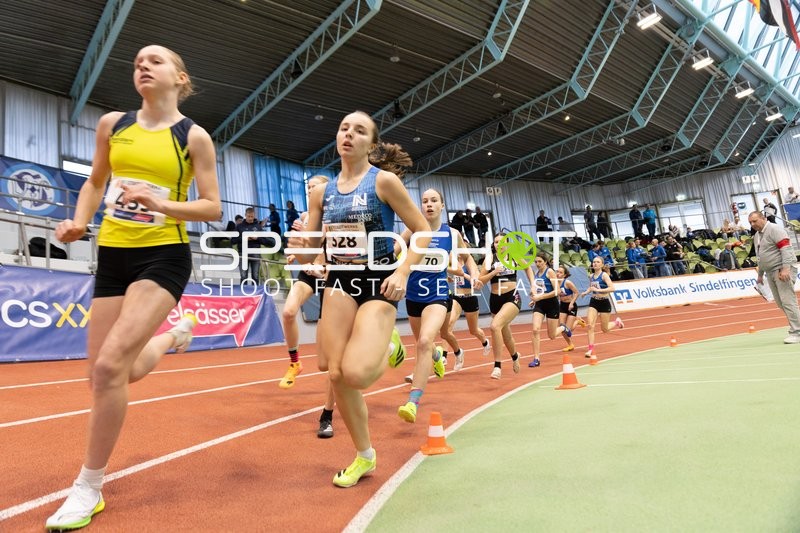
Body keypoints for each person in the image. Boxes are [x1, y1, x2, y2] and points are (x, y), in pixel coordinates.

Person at [45, 45, 221, 531]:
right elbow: (95, 182)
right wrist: (79, 222)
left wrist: (161, 205)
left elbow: (212, 207)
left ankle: (88, 486)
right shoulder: (112, 125)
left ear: (179, 77)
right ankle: (174, 336)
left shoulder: (193, 137)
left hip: (164, 255)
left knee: (107, 368)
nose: (142, 65)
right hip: (113, 256)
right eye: (138, 61)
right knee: (110, 375)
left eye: (155, 60)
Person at [288, 110, 429, 488]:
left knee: (356, 373)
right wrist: (299, 251)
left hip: (379, 282)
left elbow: (422, 231)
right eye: (344, 128)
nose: (349, 134)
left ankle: (388, 343)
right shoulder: (322, 192)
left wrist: (403, 271)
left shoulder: (383, 182)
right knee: (329, 370)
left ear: (371, 143)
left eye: (359, 130)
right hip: (340, 281)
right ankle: (365, 456)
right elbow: (313, 250)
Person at [396, 188, 483, 423]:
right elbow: (392, 253)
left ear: (442, 205)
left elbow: (468, 260)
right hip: (413, 296)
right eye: (424, 201)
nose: (429, 204)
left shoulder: (452, 233)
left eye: (434, 200)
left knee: (424, 340)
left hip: (437, 296)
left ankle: (412, 402)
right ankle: (436, 356)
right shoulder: (412, 229)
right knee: (424, 344)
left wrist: (474, 275)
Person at [478, 232, 534, 378]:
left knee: (494, 326)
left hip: (512, 297)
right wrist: (493, 272)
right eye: (496, 242)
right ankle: (515, 356)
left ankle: (497, 366)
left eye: (502, 242)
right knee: (505, 334)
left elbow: (528, 268)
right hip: (495, 299)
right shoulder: (490, 260)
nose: (499, 245)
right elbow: (480, 280)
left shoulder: (514, 256)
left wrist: (533, 285)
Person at [748, 211, 800, 343]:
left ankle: (797, 332)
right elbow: (760, 257)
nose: (752, 224)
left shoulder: (775, 229)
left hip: (781, 270)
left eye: (755, 221)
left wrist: (786, 268)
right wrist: (760, 275)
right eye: (750, 222)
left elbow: (786, 249)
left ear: (763, 218)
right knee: (780, 302)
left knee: (788, 301)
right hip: (770, 272)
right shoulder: (757, 236)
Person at [445, 255, 491, 366]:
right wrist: (448, 278)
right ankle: (444, 356)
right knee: (448, 325)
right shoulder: (453, 262)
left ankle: (485, 342)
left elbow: (475, 280)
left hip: (470, 297)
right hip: (457, 297)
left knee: (473, 330)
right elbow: (445, 273)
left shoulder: (470, 265)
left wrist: (464, 275)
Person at [528, 252, 571, 367]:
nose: (537, 264)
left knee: (551, 336)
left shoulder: (550, 272)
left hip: (552, 305)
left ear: (545, 262)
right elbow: (541, 290)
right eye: (536, 262)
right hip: (540, 305)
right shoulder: (537, 274)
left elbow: (557, 291)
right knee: (535, 330)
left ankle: (562, 327)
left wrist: (541, 296)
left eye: (540, 261)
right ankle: (536, 358)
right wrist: (534, 300)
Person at [581, 257, 625, 360]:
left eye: (597, 262)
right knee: (590, 326)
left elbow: (612, 288)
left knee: (604, 329)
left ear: (601, 264)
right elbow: (591, 287)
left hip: (604, 302)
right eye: (594, 262)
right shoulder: (591, 276)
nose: (595, 263)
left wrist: (599, 290)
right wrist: (586, 292)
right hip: (594, 302)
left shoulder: (604, 275)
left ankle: (617, 322)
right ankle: (590, 349)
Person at [235, 206, 266, 282]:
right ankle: (242, 293)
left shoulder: (258, 227)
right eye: (248, 216)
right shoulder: (239, 226)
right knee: (243, 276)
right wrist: (244, 238)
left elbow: (264, 240)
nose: (250, 218)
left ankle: (255, 293)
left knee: (255, 276)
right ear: (245, 215)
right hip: (243, 252)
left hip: (255, 252)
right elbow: (233, 240)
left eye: (252, 216)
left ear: (254, 216)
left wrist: (257, 238)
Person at [555, 265, 582, 351]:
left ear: (564, 275)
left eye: (560, 272)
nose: (558, 274)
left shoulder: (567, 283)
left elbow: (577, 293)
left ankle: (577, 321)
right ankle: (570, 344)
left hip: (571, 306)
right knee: (562, 328)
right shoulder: (554, 283)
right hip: (562, 305)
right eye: (557, 272)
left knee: (568, 329)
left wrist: (571, 303)